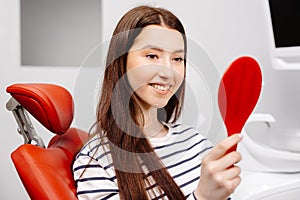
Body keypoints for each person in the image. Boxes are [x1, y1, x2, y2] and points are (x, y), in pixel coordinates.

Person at [73, 5, 242, 200]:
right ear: (121, 62)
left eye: (178, 59)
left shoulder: (196, 142)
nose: (168, 72)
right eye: (152, 56)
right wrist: (202, 197)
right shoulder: (95, 162)